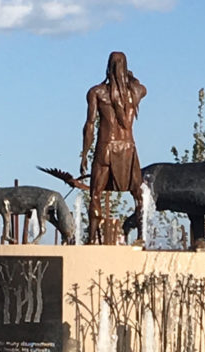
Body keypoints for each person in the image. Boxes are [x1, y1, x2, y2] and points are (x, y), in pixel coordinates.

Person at [80, 51, 147, 244]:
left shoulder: (97, 92)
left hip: (106, 147)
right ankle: (141, 236)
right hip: (128, 148)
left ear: (108, 67)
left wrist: (85, 153)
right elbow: (142, 86)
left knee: (95, 194)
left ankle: (92, 239)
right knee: (139, 194)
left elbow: (90, 124)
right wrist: (129, 77)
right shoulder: (136, 92)